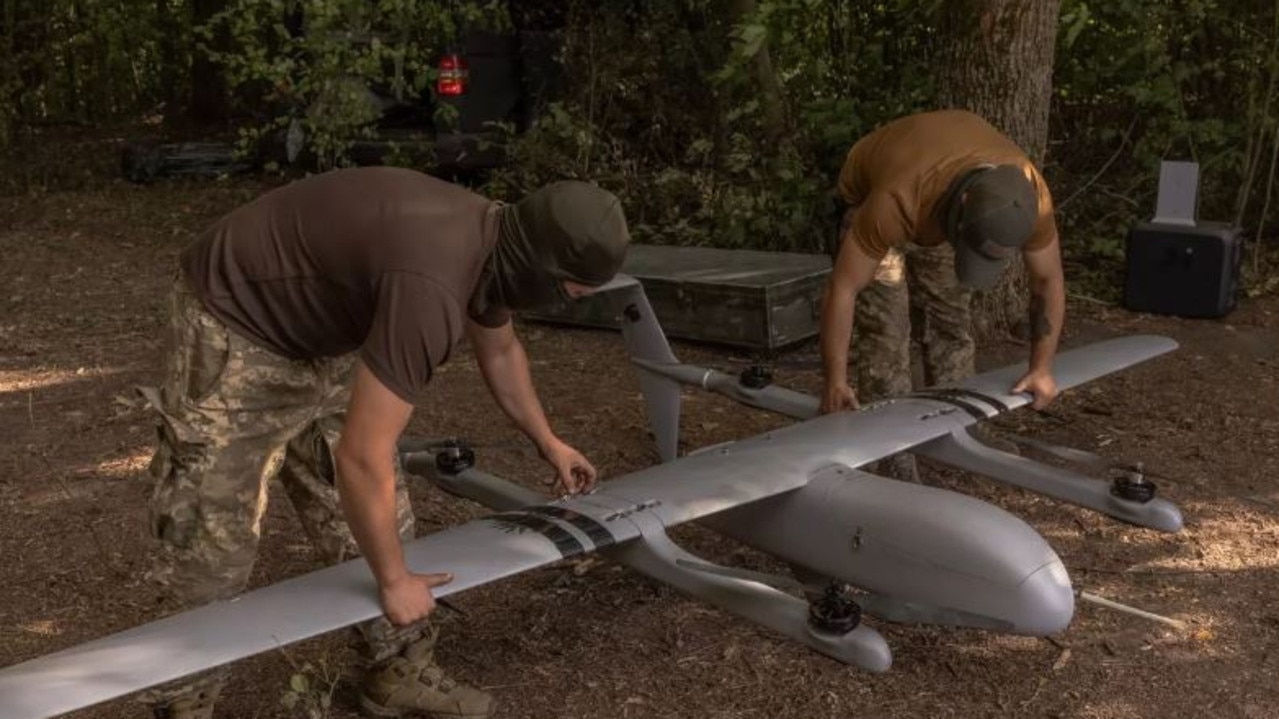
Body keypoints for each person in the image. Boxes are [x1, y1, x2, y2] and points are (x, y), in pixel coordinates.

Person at [137, 168, 630, 719]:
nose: (571, 303)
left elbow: (500, 351)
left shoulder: (496, 248)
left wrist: (549, 441)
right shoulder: (434, 286)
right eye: (573, 291)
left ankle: (395, 673)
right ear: (542, 268)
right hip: (236, 316)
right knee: (213, 537)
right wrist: (393, 582)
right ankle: (183, 705)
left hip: (319, 326)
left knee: (377, 517)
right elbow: (362, 455)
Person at [819, 110, 1065, 479]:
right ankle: (892, 450)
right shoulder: (896, 199)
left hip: (943, 200)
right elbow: (844, 287)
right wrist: (834, 382)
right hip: (877, 194)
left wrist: (1041, 368)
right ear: (963, 205)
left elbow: (1048, 282)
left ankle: (961, 428)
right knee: (888, 331)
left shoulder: (1028, 197)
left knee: (950, 321)